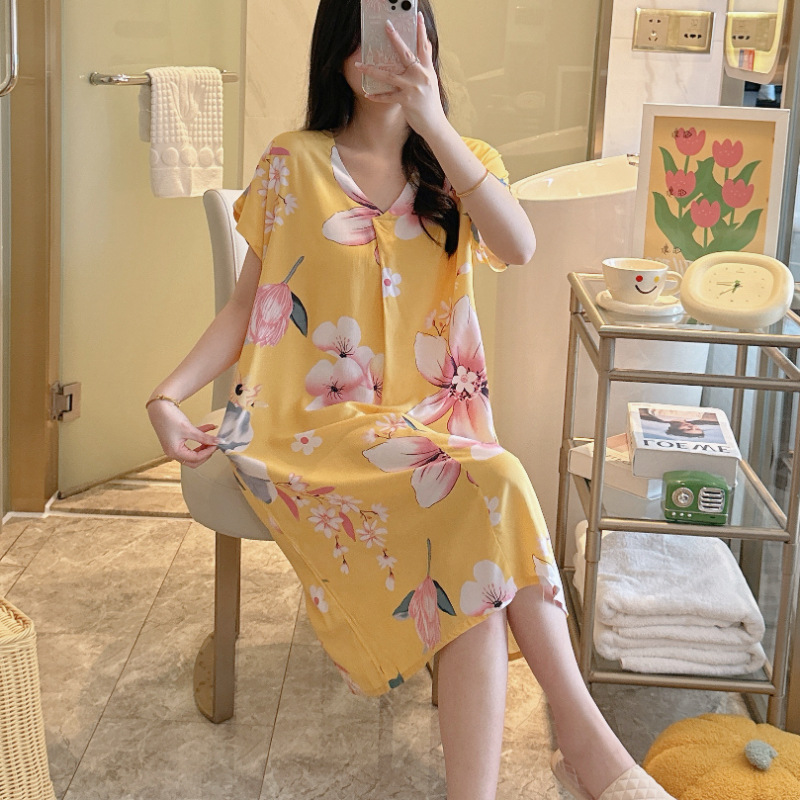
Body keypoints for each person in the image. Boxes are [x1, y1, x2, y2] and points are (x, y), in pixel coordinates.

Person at [146, 2, 677, 798]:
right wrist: (166, 394)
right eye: (362, 38)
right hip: (313, 429)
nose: (379, 55)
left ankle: (541, 763)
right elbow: (248, 306)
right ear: (336, 52)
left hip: (433, 427)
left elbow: (519, 246)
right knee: (494, 484)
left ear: (425, 42)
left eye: (399, 35)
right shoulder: (294, 162)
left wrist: (431, 119)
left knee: (479, 526)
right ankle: (586, 745)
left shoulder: (463, 166)